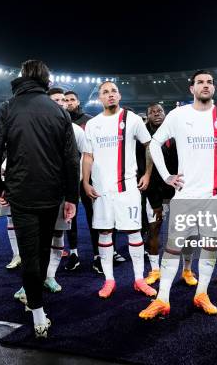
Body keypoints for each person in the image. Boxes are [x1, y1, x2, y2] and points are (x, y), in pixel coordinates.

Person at [139, 69, 217, 319]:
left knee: (209, 247)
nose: (206, 85)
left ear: (214, 88)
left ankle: (201, 293)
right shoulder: (178, 115)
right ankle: (162, 299)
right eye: (200, 82)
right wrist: (167, 175)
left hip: (214, 196)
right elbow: (154, 144)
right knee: (173, 248)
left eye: (210, 82)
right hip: (185, 195)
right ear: (192, 89)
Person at [0, 59, 79, 338]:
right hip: (51, 193)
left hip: (21, 192)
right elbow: (71, 159)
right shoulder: (59, 111)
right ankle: (36, 306)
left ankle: (37, 312)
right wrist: (71, 196)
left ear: (22, 78)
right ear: (46, 81)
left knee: (29, 255)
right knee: (40, 251)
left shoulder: (7, 107)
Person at [82, 81, 156, 300]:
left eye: (113, 91)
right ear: (100, 98)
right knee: (104, 233)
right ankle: (109, 280)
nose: (110, 95)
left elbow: (149, 145)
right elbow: (87, 156)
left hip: (127, 188)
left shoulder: (132, 119)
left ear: (119, 95)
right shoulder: (93, 124)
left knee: (134, 233)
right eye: (105, 92)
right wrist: (85, 183)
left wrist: (148, 174)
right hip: (102, 191)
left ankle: (139, 279)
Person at [12, 88, 86, 304]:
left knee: (56, 236)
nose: (60, 103)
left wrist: (76, 185)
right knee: (33, 240)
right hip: (32, 189)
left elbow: (85, 156)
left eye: (63, 100)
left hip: (61, 191)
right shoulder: (34, 127)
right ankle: (30, 283)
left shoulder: (75, 130)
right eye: (55, 100)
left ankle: (49, 277)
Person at [141, 103, 198, 287]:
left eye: (160, 111)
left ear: (165, 114)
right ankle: (155, 270)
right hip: (155, 190)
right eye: (152, 112)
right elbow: (142, 166)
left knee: (186, 232)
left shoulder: (178, 131)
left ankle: (187, 270)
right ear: (147, 116)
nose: (157, 114)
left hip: (180, 188)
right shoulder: (143, 137)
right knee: (154, 229)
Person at [63, 90, 107, 272]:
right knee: (69, 216)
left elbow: (94, 151)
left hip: (88, 176)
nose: (68, 102)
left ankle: (98, 255)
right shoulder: (59, 120)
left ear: (78, 101)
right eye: (65, 100)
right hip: (67, 177)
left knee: (93, 216)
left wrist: (87, 176)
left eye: (72, 99)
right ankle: (73, 253)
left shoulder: (89, 121)